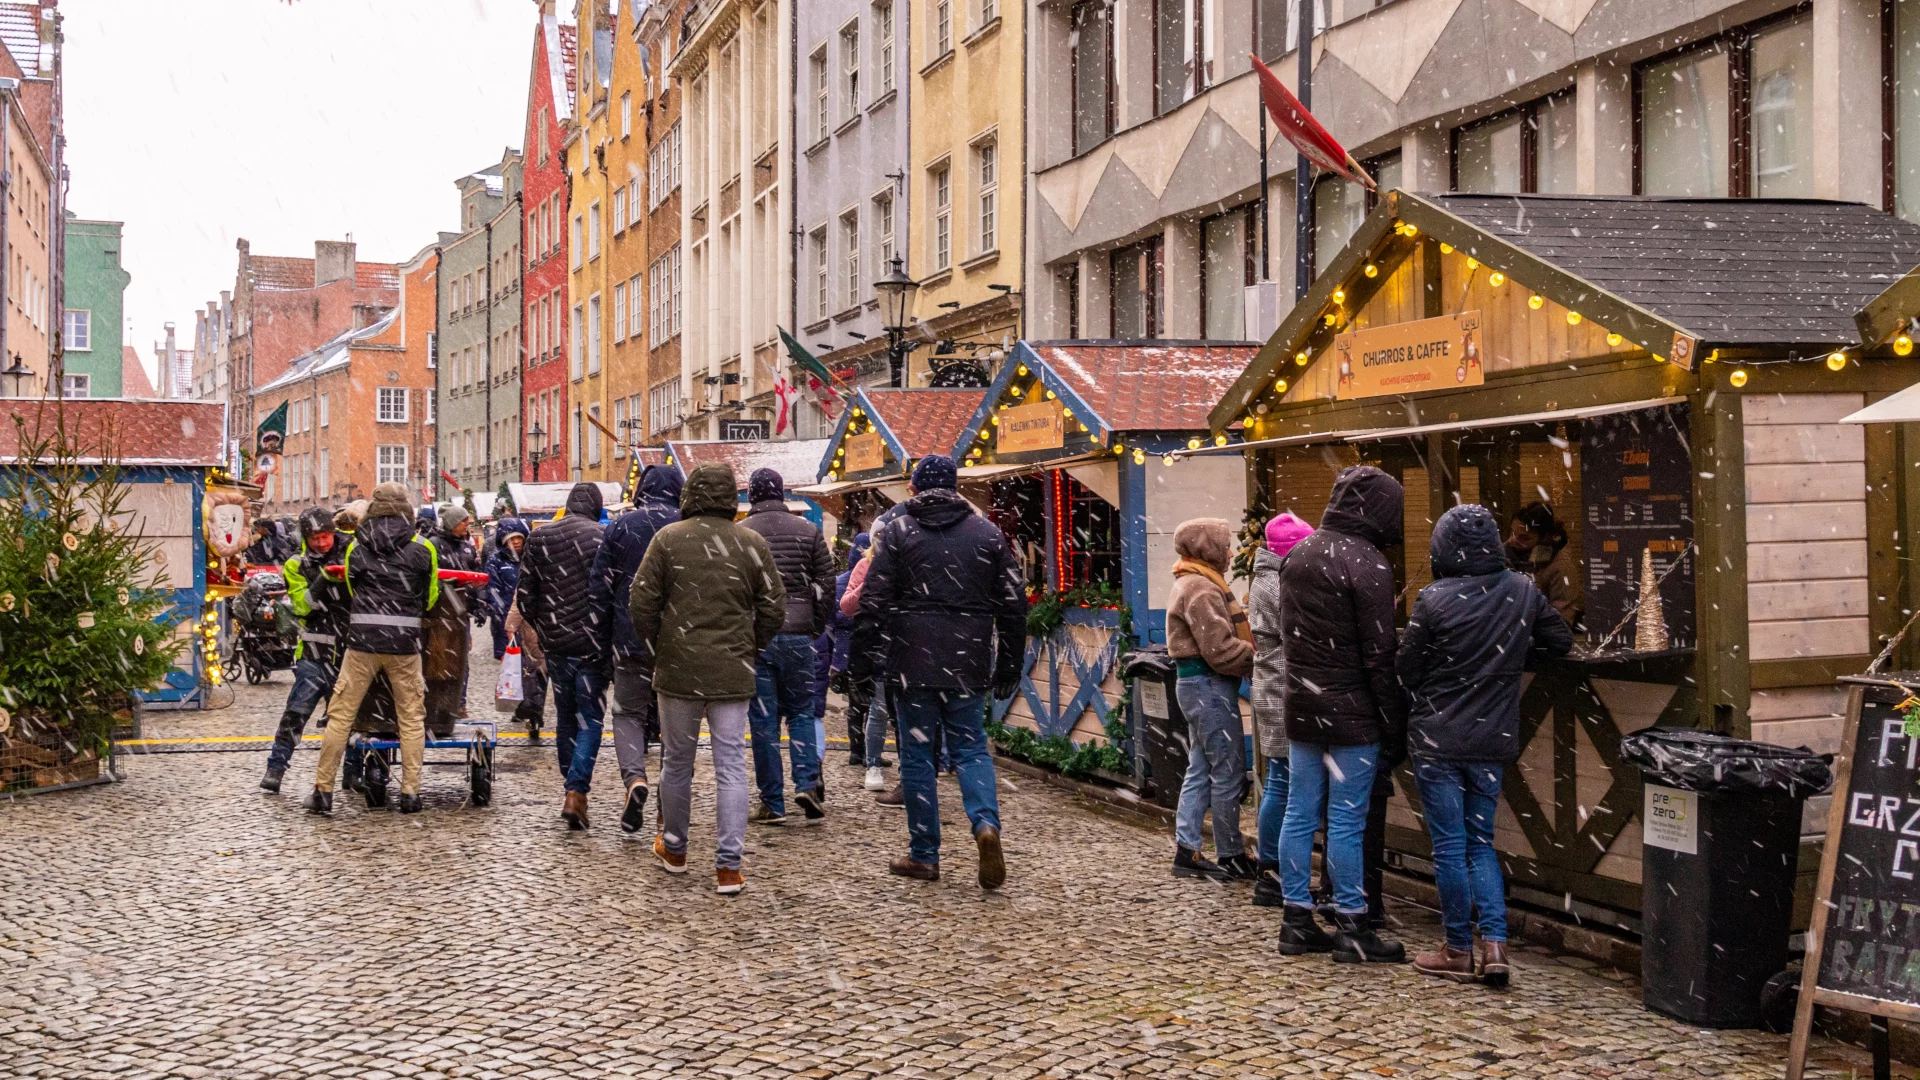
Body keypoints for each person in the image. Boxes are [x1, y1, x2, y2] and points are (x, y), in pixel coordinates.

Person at [1402, 504, 1572, 987]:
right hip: (1492, 737)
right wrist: (1511, 655)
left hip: (1438, 740)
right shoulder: (1521, 588)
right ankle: (1495, 946)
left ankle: (1458, 949)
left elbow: (1407, 669)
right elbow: (1560, 642)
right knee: (1481, 844)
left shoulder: (1433, 599)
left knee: (1450, 848)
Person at [850, 455, 1025, 890]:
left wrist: (863, 662)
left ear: (913, 488)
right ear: (956, 486)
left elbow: (872, 600)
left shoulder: (897, 532)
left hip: (910, 657)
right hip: (968, 656)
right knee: (970, 750)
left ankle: (924, 854)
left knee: (916, 756)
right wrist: (1009, 663)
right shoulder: (987, 534)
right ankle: (986, 825)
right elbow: (1013, 604)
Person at [629, 462, 785, 895]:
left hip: (678, 667)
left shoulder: (668, 541)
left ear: (689, 496)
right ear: (730, 498)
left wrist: (658, 643)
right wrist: (749, 645)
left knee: (677, 762)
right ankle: (729, 866)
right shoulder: (750, 542)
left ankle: (675, 848)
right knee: (731, 765)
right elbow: (774, 606)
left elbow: (640, 601)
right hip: (733, 668)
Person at [1275, 465, 1407, 964]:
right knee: (1347, 820)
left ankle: (1296, 920)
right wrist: (1392, 722)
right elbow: (1379, 655)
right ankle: (1353, 923)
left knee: (1299, 812)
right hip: (1352, 712)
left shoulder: (1300, 554)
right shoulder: (1367, 561)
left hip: (1302, 705)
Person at [303, 482, 439, 816]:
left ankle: (323, 791)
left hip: (362, 643)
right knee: (410, 717)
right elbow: (430, 596)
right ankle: (410, 793)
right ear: (406, 508)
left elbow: (350, 586)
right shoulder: (423, 548)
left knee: (341, 716)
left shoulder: (357, 547)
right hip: (405, 646)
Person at [589, 464, 683, 833]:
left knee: (627, 713)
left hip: (630, 638)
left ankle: (635, 779)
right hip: (679, 637)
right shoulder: (687, 525)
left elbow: (599, 589)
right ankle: (666, 801)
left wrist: (603, 638)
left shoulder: (621, 526)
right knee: (678, 722)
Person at [738, 468, 835, 824]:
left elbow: (736, 588)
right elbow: (827, 582)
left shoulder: (742, 534)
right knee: (801, 713)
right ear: (781, 493)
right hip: (798, 634)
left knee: (763, 723)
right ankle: (808, 783)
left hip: (758, 637)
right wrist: (815, 624)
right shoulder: (808, 531)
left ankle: (772, 802)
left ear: (751, 494)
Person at [1165, 517, 1257, 882]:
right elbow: (1219, 649)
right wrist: (1260, 655)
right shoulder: (1201, 588)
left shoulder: (1189, 581)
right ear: (1208, 548)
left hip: (1196, 685)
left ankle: (1187, 850)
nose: (1231, 552)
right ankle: (1231, 852)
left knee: (1201, 767)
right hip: (1209, 685)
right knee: (1227, 771)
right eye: (1225, 544)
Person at [518, 482, 610, 829]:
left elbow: (525, 598)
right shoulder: (602, 537)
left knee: (567, 717)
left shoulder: (540, 538)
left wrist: (546, 629)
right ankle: (576, 790)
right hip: (591, 646)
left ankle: (570, 789)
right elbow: (610, 593)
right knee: (590, 718)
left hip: (556, 645)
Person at [1246, 511, 1314, 906]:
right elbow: (1299, 640)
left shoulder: (1265, 579)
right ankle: (1273, 869)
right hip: (1281, 690)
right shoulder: (1279, 584)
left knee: (1278, 780)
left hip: (1272, 688)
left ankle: (1269, 868)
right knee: (1283, 782)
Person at [261, 507, 350, 793]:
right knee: (295, 714)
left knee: (350, 720)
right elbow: (302, 607)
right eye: (315, 538)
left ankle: (353, 774)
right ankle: (276, 768)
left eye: (325, 537)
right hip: (314, 652)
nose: (321, 543)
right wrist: (325, 580)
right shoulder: (296, 565)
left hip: (349, 653)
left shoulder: (352, 552)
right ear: (306, 538)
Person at [483, 517, 548, 734]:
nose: (516, 542)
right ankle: (523, 707)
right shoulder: (496, 561)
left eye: (519, 538)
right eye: (511, 539)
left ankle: (532, 709)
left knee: (535, 667)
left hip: (530, 621)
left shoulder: (531, 559)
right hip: (507, 622)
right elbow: (493, 590)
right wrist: (501, 616)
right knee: (515, 666)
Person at [423, 503, 478, 730]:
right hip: (439, 614)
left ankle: (456, 705)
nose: (466, 525)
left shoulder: (466, 547)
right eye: (462, 521)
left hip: (459, 613)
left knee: (460, 662)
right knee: (438, 663)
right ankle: (437, 710)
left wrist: (477, 605)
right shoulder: (433, 546)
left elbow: (474, 574)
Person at [1507, 501, 1584, 629]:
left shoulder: (1561, 567)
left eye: (1524, 538)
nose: (1512, 541)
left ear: (1544, 538)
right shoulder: (1506, 556)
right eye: (1512, 533)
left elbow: (1561, 622)